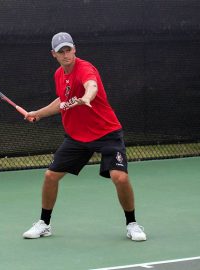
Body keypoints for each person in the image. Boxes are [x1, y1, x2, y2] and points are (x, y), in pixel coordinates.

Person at [22, 32, 146, 241]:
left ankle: (132, 224)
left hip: (106, 133)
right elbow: (62, 100)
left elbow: (92, 85)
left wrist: (87, 98)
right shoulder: (59, 75)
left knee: (120, 177)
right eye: (60, 52)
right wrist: (38, 114)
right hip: (77, 137)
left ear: (74, 49)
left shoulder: (85, 68)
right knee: (50, 176)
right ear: (54, 54)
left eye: (68, 50)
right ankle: (44, 223)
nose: (65, 55)